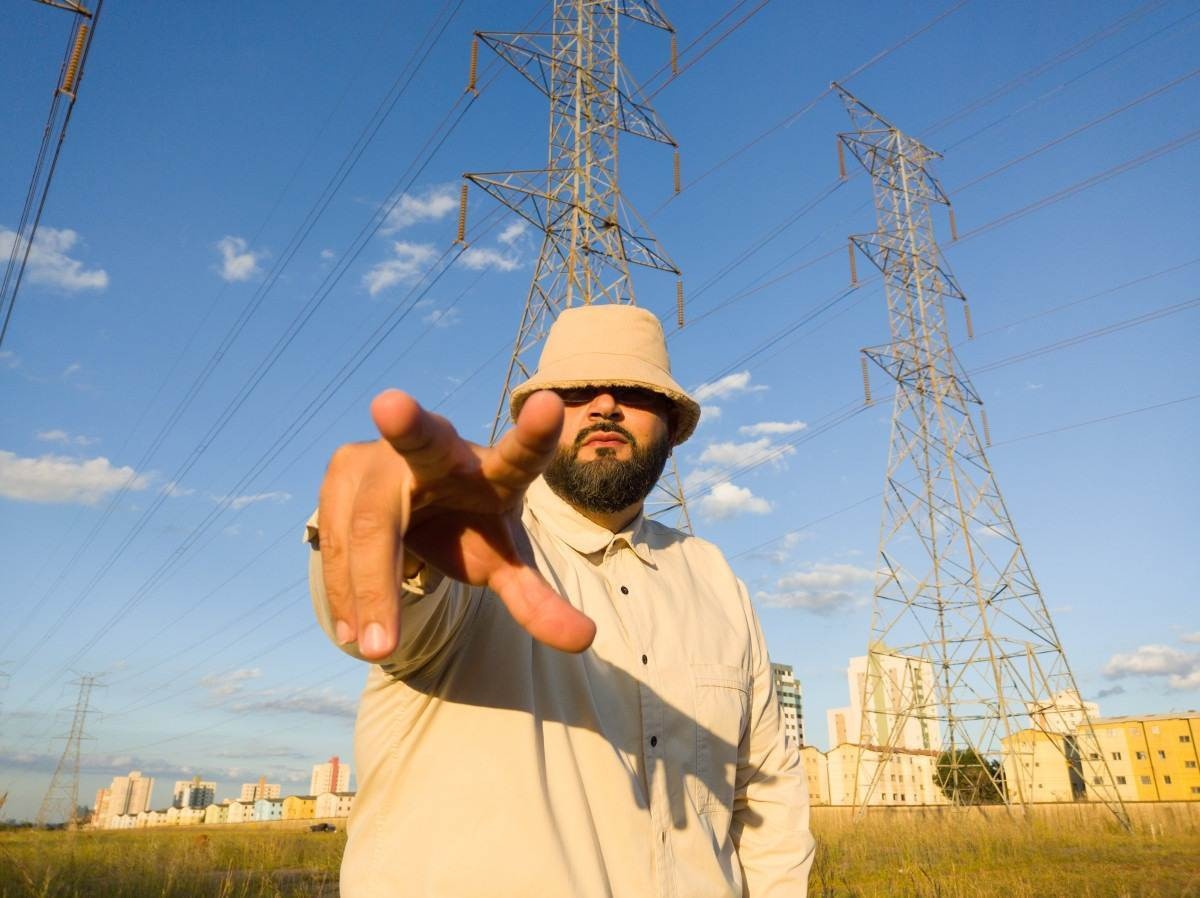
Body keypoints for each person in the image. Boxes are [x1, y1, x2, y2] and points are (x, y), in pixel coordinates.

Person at [308, 304, 815, 897]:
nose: (605, 405)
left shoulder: (715, 578)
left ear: (673, 427)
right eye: (575, 392)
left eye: (632, 389)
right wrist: (404, 529)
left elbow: (766, 788)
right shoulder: (474, 548)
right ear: (535, 418)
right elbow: (392, 607)